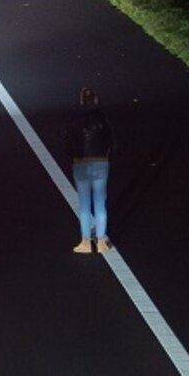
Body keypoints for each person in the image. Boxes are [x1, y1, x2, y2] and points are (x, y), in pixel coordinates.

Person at [62, 86, 114, 253]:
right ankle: (101, 241)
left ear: (81, 100)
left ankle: (85, 242)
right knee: (100, 202)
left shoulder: (74, 120)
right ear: (96, 100)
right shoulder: (103, 119)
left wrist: (74, 156)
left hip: (81, 163)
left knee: (84, 204)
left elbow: (68, 144)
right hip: (100, 162)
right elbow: (111, 142)